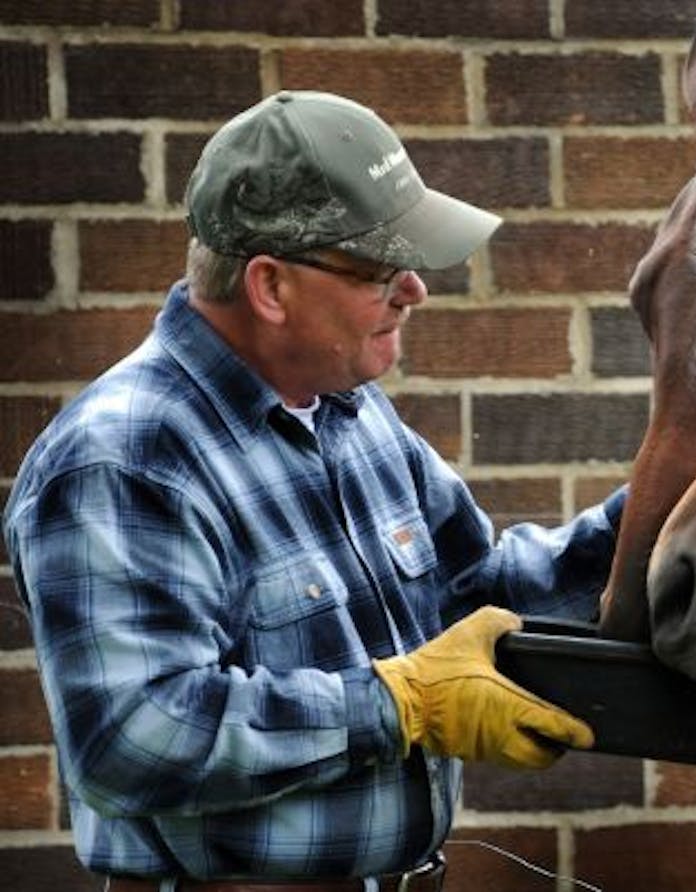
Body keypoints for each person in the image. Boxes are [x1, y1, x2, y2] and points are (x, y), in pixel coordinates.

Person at [3, 90, 625, 891]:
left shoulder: (349, 410)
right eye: (380, 269)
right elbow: (133, 737)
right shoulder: (124, 458)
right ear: (270, 286)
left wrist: (660, 517)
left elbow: (475, 598)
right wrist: (397, 705)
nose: (415, 290)